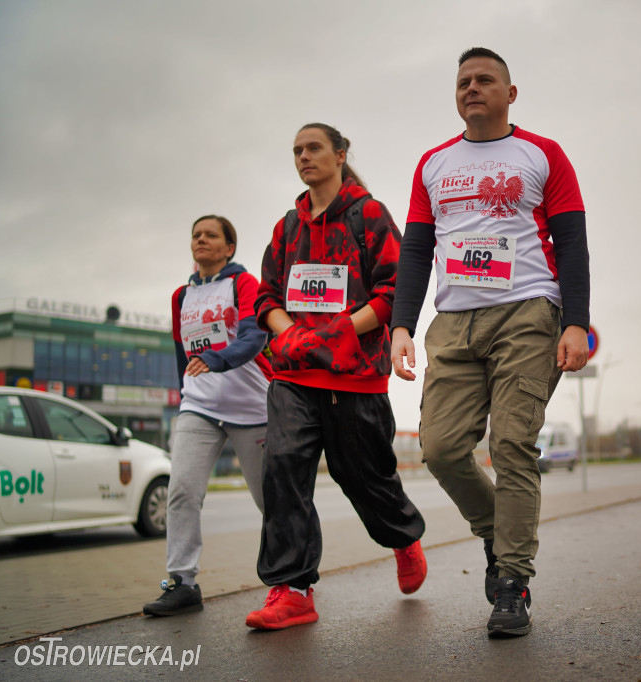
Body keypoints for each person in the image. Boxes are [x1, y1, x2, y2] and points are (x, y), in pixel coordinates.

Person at [390, 47, 590, 638]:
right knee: (442, 449)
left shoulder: (543, 155)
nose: (472, 88)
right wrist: (402, 325)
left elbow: (572, 242)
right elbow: (417, 251)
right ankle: (497, 536)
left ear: (511, 92)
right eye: (463, 82)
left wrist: (576, 320)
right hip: (453, 322)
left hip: (527, 313)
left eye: (484, 80)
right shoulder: (433, 164)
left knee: (511, 444)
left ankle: (512, 583)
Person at [246, 123, 426, 631]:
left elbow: (395, 289)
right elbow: (267, 296)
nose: (304, 157)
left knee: (364, 478)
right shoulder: (287, 227)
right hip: (294, 376)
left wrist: (344, 331)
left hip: (355, 378)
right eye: (297, 151)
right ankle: (293, 590)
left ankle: (403, 538)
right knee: (282, 470)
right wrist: (288, 337)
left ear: (340, 155)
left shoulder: (368, 214)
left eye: (314, 148)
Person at [143, 215, 272, 617]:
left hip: (251, 406)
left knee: (272, 499)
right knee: (182, 490)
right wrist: (188, 389)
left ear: (229, 247)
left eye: (211, 234)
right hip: (198, 406)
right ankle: (181, 583)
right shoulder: (181, 296)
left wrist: (216, 360)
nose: (201, 239)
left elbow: (255, 338)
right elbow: (184, 356)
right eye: (196, 235)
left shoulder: (244, 284)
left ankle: (293, 577)